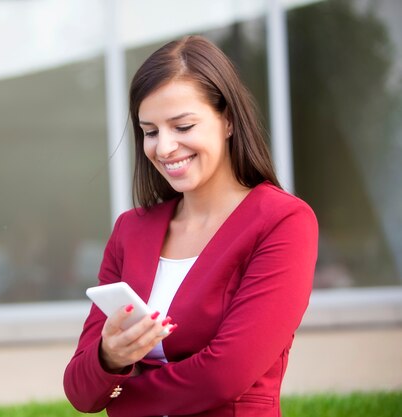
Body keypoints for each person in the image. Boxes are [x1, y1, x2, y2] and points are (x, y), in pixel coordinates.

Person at [63, 35, 318, 417]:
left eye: (182, 126)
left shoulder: (282, 221)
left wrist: (122, 395)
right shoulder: (130, 230)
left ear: (228, 121)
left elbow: (224, 375)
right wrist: (109, 356)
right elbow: (81, 392)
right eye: (150, 131)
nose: (163, 148)